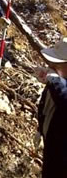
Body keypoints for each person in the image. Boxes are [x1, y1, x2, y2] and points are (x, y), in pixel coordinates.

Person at [34, 40, 67, 178]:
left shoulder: (58, 83)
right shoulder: (55, 81)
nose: (50, 66)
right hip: (52, 144)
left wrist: (55, 80)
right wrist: (40, 130)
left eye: (56, 63)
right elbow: (46, 106)